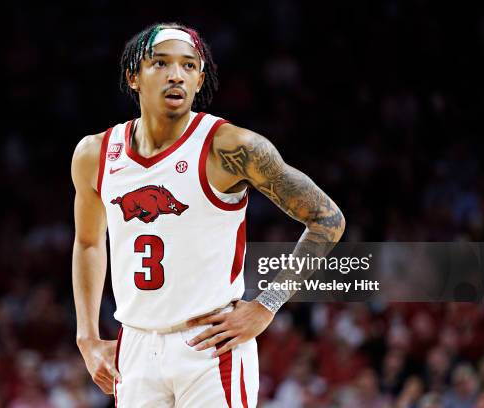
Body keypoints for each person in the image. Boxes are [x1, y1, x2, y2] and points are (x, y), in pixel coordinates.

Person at [71, 22, 345, 407]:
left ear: (200, 80)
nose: (175, 75)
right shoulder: (95, 154)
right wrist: (87, 337)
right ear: (134, 77)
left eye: (187, 66)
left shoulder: (232, 147)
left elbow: (328, 219)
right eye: (161, 63)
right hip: (133, 345)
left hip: (210, 344)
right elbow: (87, 242)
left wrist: (268, 304)